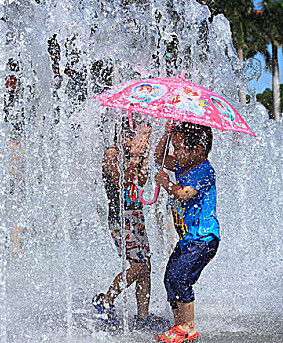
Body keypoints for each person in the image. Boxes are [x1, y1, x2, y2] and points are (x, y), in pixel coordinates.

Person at [93, 118, 166, 330]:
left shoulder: (136, 156)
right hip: (120, 219)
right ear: (127, 137)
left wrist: (144, 162)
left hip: (135, 217)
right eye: (144, 136)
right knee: (138, 266)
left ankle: (143, 316)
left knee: (146, 266)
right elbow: (120, 182)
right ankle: (106, 299)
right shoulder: (112, 154)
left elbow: (140, 182)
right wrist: (134, 159)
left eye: (149, 137)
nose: (147, 141)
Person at [154, 121, 220, 342]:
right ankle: (179, 325)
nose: (174, 153)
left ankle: (188, 327)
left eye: (178, 148)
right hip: (189, 239)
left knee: (180, 278)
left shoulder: (203, 170)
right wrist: (167, 135)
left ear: (197, 150)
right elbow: (159, 158)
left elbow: (183, 193)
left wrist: (165, 183)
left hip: (203, 239)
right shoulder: (184, 163)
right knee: (170, 278)